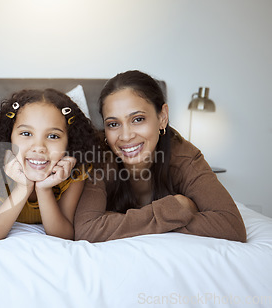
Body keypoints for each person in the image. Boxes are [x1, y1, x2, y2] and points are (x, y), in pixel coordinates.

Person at [74, 70, 246, 242]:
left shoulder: (183, 156)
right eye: (113, 124)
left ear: (162, 117)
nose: (125, 136)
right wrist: (176, 208)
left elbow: (231, 226)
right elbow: (86, 229)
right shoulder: (98, 158)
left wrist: (117, 221)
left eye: (138, 119)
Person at [0, 89, 100, 246]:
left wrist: (44, 189)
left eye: (53, 136)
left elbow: (63, 236)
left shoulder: (73, 171)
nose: (38, 147)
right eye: (26, 133)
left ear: (69, 143)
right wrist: (23, 188)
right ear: (9, 136)